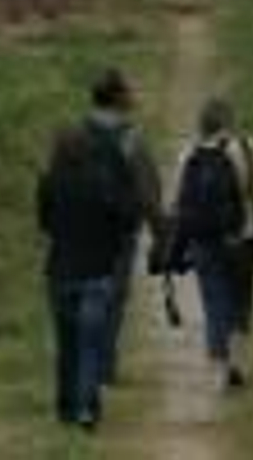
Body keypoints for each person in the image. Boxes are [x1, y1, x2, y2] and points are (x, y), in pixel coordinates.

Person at [37, 124, 139, 429]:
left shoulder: (48, 183)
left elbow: (45, 224)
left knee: (66, 344)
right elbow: (122, 222)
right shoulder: (101, 182)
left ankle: (66, 407)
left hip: (61, 273)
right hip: (97, 274)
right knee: (90, 343)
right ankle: (87, 407)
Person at [171, 97, 253, 390]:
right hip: (241, 238)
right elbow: (250, 184)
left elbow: (177, 202)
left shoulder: (187, 154)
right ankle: (238, 362)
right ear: (228, 122)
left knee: (214, 303)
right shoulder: (241, 148)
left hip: (202, 240)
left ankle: (218, 367)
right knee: (241, 301)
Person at [83, 68, 165, 386]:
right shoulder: (131, 138)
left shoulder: (77, 133)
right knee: (112, 298)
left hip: (80, 229)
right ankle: (103, 367)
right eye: (129, 90)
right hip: (119, 231)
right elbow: (147, 188)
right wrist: (160, 230)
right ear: (118, 97)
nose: (134, 95)